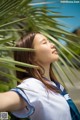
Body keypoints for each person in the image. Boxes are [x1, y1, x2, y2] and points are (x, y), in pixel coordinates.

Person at [0, 32, 80, 120]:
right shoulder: (32, 85)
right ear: (31, 56)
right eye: (44, 42)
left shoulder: (54, 84)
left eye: (49, 41)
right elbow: (5, 100)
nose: (53, 44)